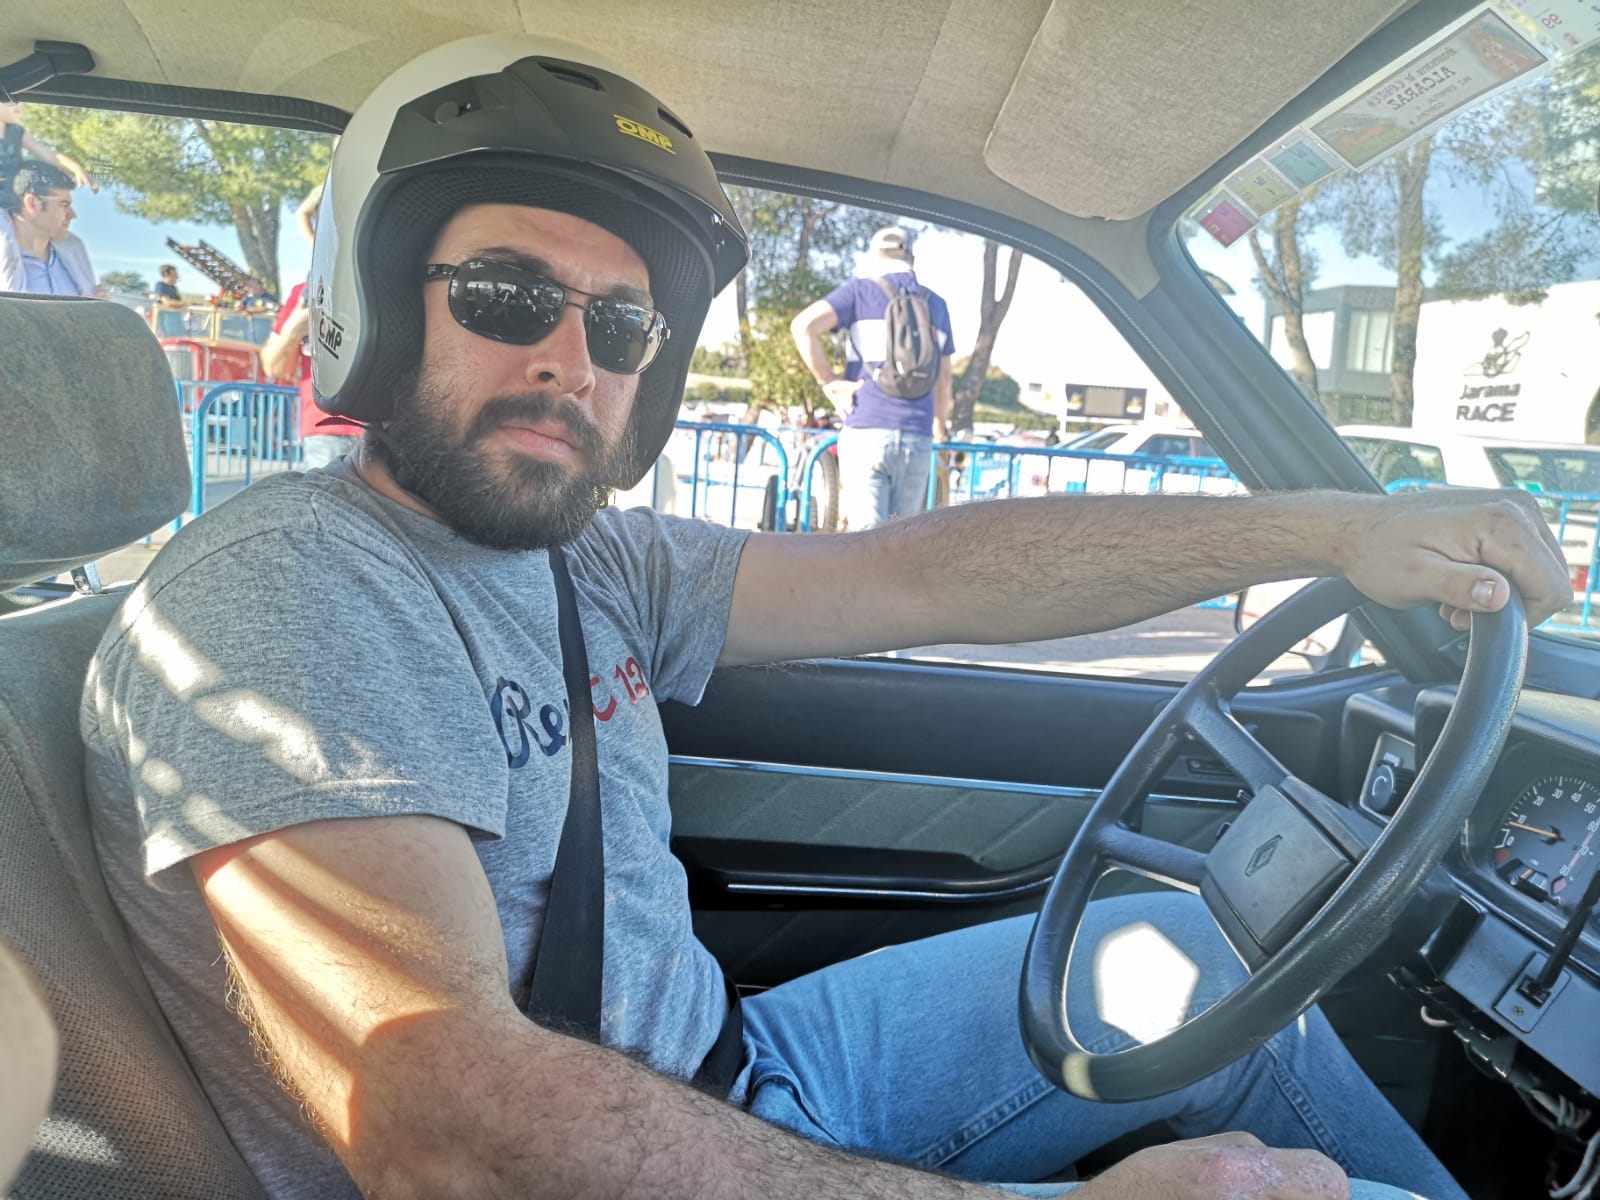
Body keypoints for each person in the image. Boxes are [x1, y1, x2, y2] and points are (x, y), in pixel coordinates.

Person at [79, 35, 1571, 1200]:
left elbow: (925, 574)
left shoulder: (589, 563)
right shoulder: (291, 591)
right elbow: (444, 1125)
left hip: (726, 1070)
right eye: (505, 295)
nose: (571, 362)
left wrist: (1337, 530)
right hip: (561, 1162)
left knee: (1192, 956)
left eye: (620, 324)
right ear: (376, 300)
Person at [790, 226, 955, 530]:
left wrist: (828, 381)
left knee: (866, 542)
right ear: (912, 259)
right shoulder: (937, 304)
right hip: (917, 435)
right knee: (902, 540)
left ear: (875, 256)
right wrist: (940, 427)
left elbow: (803, 326)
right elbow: (944, 379)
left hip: (866, 428)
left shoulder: (859, 292)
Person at [258, 278, 364, 468]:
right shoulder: (304, 293)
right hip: (328, 430)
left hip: (385, 428)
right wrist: (292, 332)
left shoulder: (380, 282)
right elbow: (273, 367)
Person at [0, 163, 94, 296]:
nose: (73, 215)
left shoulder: (75, 256)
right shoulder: (5, 265)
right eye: (64, 204)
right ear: (32, 204)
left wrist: (96, 304)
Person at [0, 100, 98, 197]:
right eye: (7, 100)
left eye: (18, 100)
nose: (18, 105)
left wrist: (76, 168)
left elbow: (48, 155)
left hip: (12, 197)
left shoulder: (16, 132)